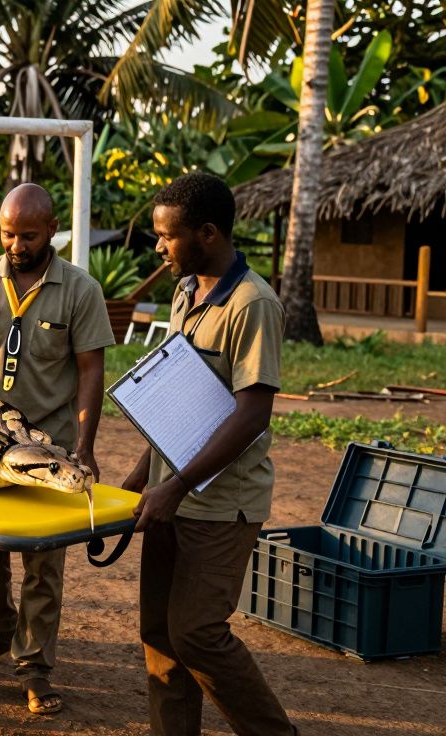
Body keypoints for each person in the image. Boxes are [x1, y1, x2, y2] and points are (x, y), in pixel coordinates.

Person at [120, 173, 297, 735]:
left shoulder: (253, 305)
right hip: (172, 496)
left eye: (167, 236)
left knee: (196, 632)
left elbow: (252, 414)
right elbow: (178, 403)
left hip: (222, 506)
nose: (159, 247)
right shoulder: (185, 290)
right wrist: (139, 480)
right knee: (160, 636)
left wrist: (173, 486)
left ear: (209, 233)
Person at [0, 183, 113, 714]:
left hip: (50, 451)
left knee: (43, 562)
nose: (16, 244)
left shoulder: (80, 290)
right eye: (8, 233)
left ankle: (35, 668)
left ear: (52, 230)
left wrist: (84, 445)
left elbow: (90, 372)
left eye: (28, 235)